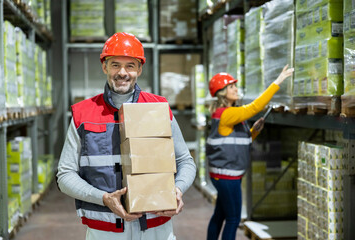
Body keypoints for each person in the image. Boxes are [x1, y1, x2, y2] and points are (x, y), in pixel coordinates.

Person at [57, 32, 196, 240]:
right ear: (104, 67)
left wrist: (177, 189)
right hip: (104, 231)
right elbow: (65, 175)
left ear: (139, 69)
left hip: (155, 229)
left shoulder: (158, 108)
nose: (122, 72)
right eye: (115, 65)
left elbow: (186, 161)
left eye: (130, 65)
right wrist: (104, 198)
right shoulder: (83, 114)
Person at [206, 65, 294, 240]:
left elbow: (237, 143)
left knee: (221, 215)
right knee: (233, 219)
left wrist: (254, 131)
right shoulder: (226, 114)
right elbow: (255, 107)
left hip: (225, 175)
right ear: (222, 92)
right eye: (231, 87)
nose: (236, 89)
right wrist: (278, 81)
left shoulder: (230, 114)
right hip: (227, 176)